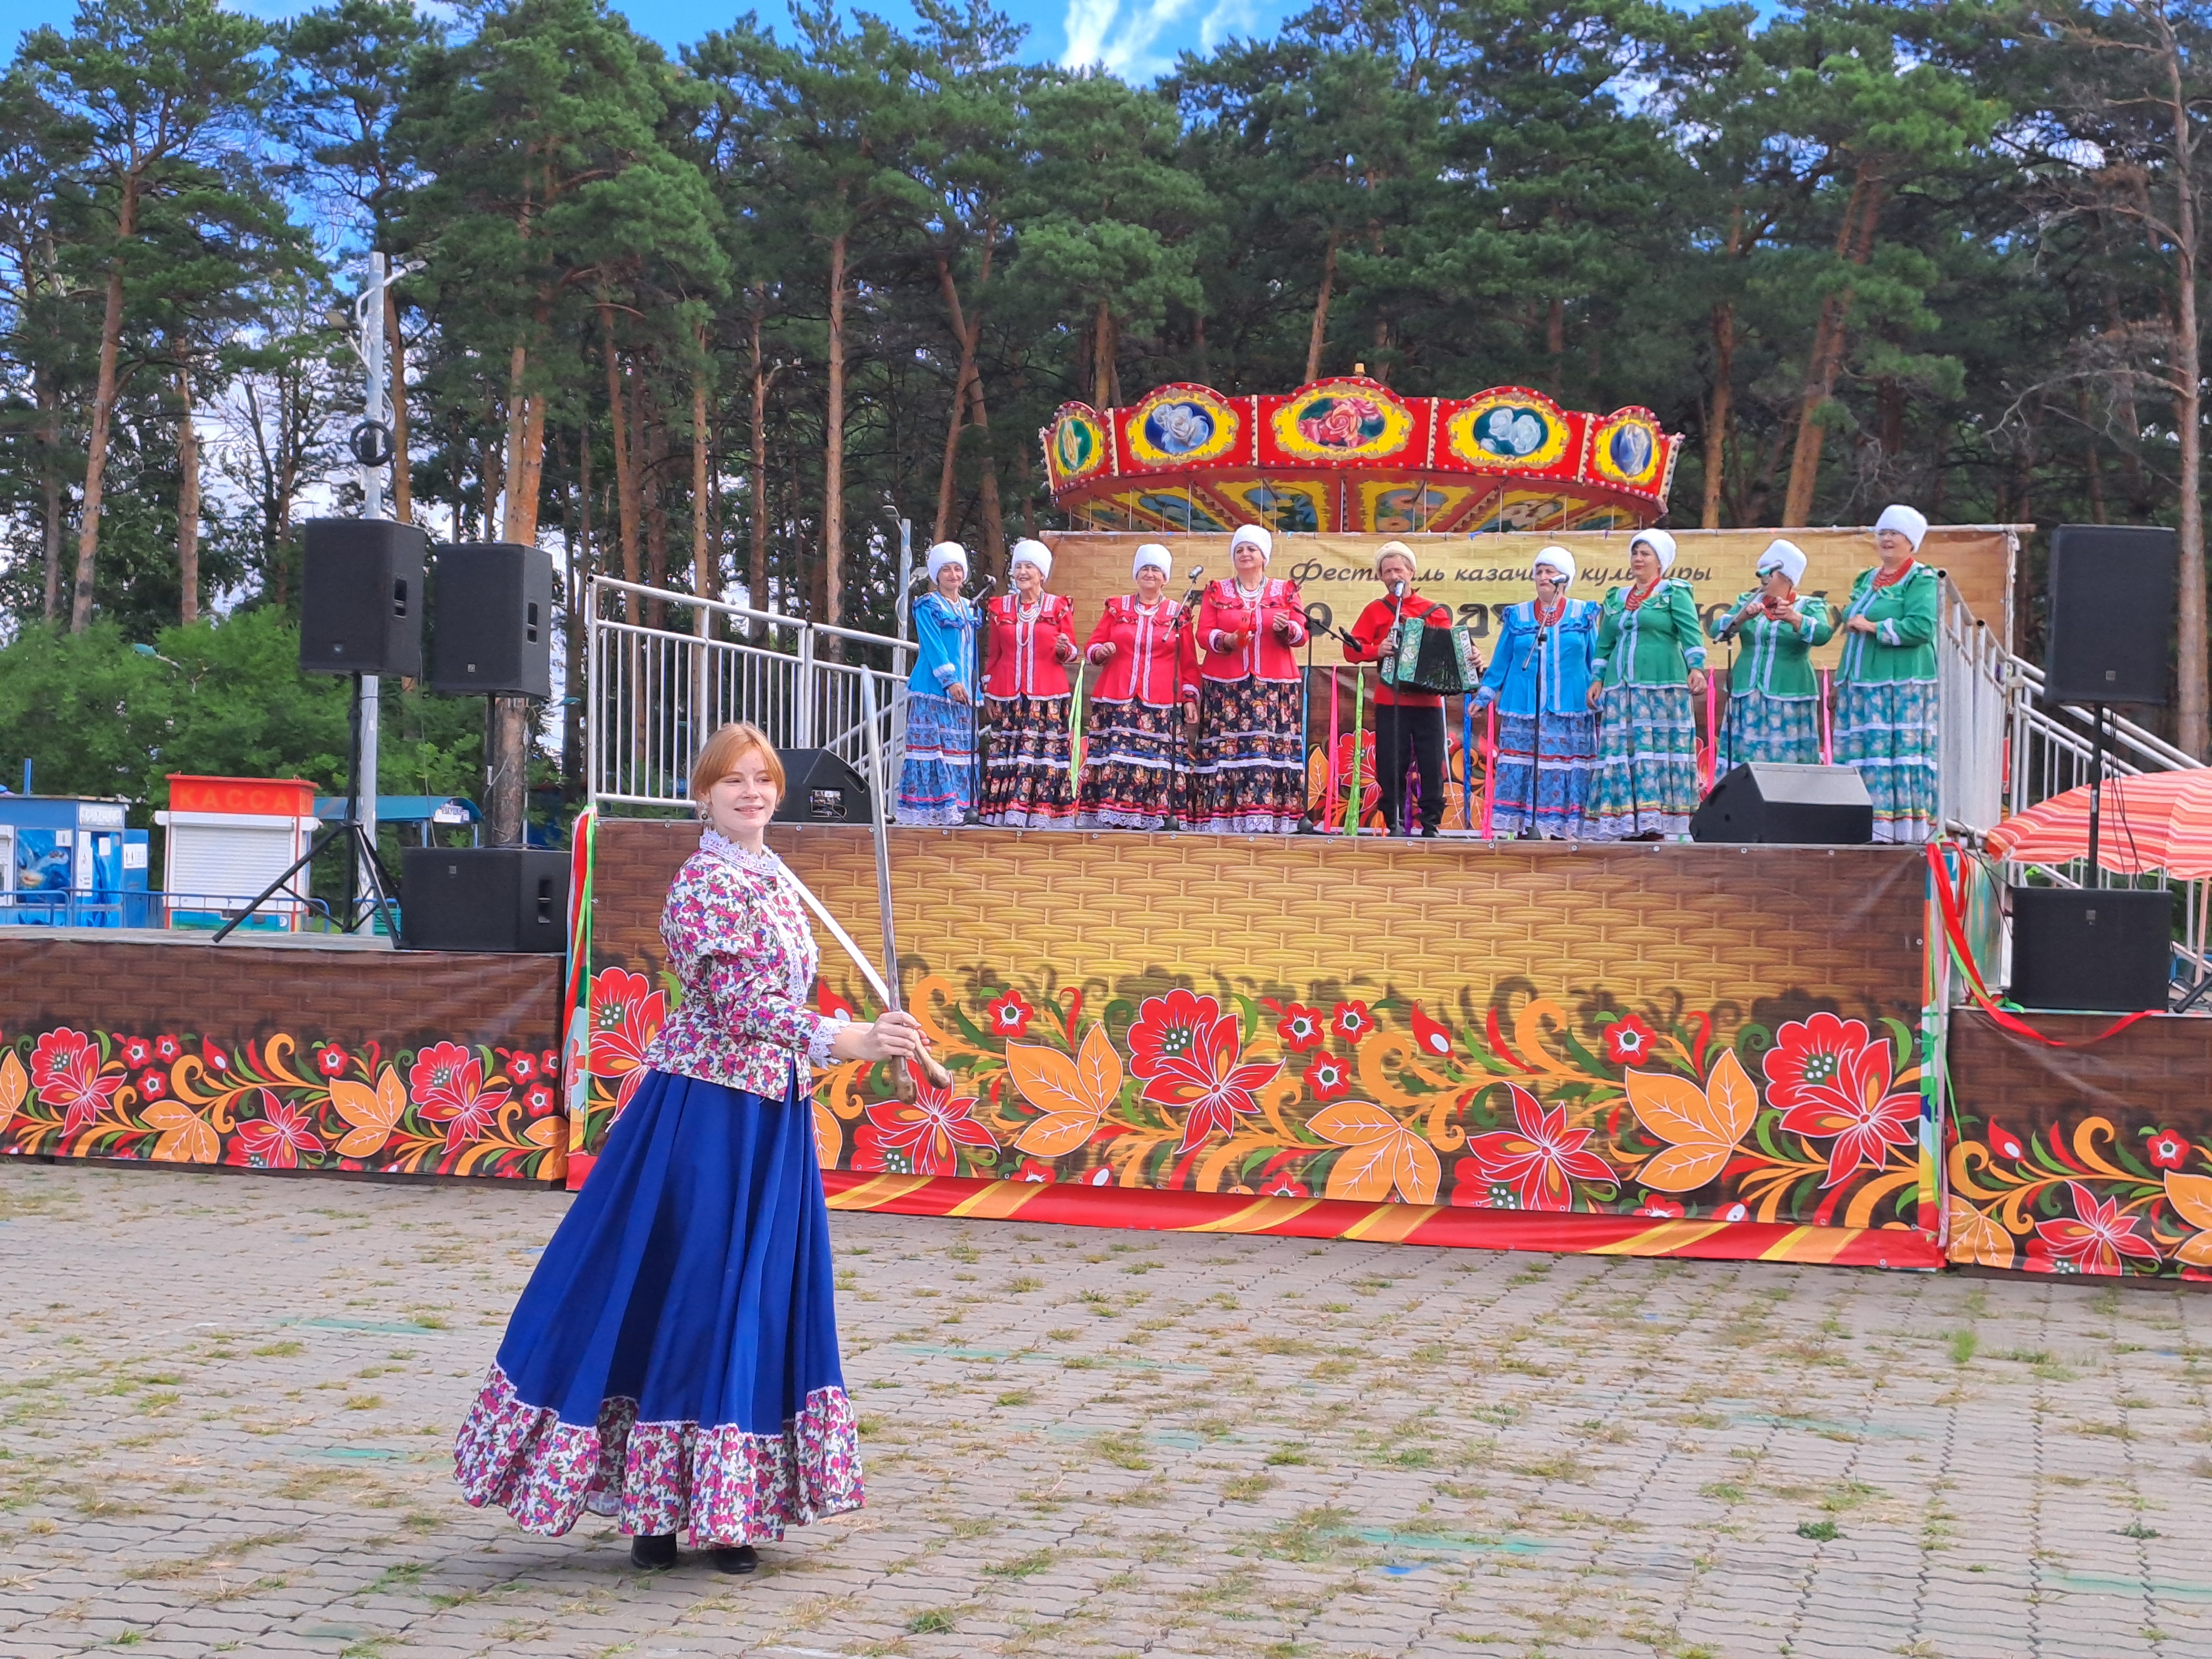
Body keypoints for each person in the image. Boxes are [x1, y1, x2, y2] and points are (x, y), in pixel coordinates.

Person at [454, 722, 926, 1573]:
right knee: (692, 1292)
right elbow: (744, 1006)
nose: (752, 793)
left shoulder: (772, 876)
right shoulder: (705, 882)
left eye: (764, 779)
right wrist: (850, 1039)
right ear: (702, 795)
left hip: (770, 1118)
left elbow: (781, 999)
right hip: (707, 1118)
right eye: (733, 780)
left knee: (756, 1297)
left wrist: (869, 1034)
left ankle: (729, 1508)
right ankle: (658, 1512)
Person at [1588, 527, 1708, 840]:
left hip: (1662, 686)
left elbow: (1691, 633)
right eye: (1635, 553)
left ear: (1660, 561)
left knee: (1656, 749)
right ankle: (1626, 822)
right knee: (1625, 750)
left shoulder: (1673, 592)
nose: (1638, 559)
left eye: (1645, 554)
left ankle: (1657, 823)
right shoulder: (1616, 597)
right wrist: (1598, 678)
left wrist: (1696, 667)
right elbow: (1605, 642)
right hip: (1621, 688)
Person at [1473, 546, 1599, 838]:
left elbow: (1596, 659)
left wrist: (1600, 692)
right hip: (1525, 708)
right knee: (1525, 767)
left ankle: (1562, 833)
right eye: (1539, 572)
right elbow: (1502, 659)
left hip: (1571, 709)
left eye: (1549, 571)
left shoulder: (1583, 614)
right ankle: (1525, 831)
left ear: (1564, 577)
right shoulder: (1518, 616)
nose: (1543, 576)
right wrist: (1485, 695)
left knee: (1567, 770)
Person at [1834, 503, 1941, 843]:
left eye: (1895, 533)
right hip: (1860, 682)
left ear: (1912, 541)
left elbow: (1922, 627)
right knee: (1863, 753)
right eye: (1882, 532)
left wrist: (1873, 626)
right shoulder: (1867, 579)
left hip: (1900, 685)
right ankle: (1858, 826)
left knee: (1894, 754)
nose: (1887, 539)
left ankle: (1897, 831)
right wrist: (1840, 681)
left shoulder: (1921, 578)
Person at [1192, 523, 1308, 834]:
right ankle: (1222, 817)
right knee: (1227, 750)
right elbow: (1203, 634)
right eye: (1240, 549)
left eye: (1252, 549)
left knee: (1269, 749)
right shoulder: (1216, 591)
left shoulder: (1286, 591)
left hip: (1273, 686)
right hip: (1227, 686)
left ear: (1264, 557)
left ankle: (1272, 817)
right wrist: (1226, 640)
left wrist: (1287, 629)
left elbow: (1302, 634)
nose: (1245, 554)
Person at [1076, 543, 1199, 831]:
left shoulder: (1177, 614)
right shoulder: (1117, 609)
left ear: (1165, 577)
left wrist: (1189, 697)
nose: (1150, 574)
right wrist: (1101, 651)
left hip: (1161, 702)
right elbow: (1093, 645)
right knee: (1115, 758)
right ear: (1136, 574)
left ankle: (1154, 818)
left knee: (1156, 761)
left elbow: (1189, 662)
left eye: (1156, 569)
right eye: (1144, 568)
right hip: (1117, 697)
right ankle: (1112, 818)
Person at [1343, 540, 1450, 837]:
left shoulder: (1434, 611)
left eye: (1399, 570)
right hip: (1391, 700)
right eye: (1387, 572)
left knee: (1432, 764)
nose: (1394, 576)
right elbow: (1352, 650)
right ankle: (1395, 822)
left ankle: (1431, 824)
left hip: (1428, 702)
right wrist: (1377, 650)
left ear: (1412, 572)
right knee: (1391, 764)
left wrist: (1471, 656)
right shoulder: (1376, 610)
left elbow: (1450, 651)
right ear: (1380, 577)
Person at [979, 539, 1080, 828]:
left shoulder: (1058, 607)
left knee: (1043, 756)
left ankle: (1041, 814)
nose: (1022, 572)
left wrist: (1063, 648)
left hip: (1047, 697)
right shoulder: (1000, 608)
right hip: (1008, 695)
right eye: (1019, 566)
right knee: (1008, 755)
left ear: (1042, 574)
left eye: (1029, 567)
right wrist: (988, 692)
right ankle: (1006, 814)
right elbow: (994, 654)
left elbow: (1071, 651)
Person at [1710, 538, 1834, 769]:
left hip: (1789, 692)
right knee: (1745, 757)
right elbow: (1716, 630)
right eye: (1762, 571)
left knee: (1784, 758)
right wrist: (1742, 617)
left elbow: (1823, 635)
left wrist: (1794, 618)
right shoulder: (1747, 601)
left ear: (1787, 577)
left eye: (1770, 572)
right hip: (1747, 692)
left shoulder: (1809, 606)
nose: (1763, 577)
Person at [896, 541, 981, 826]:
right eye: (946, 570)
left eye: (958, 569)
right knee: (934, 751)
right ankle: (932, 810)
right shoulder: (927, 605)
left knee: (959, 752)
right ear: (936, 574)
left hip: (964, 693)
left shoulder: (970, 608)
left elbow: (971, 651)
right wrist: (950, 681)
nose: (953, 575)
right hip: (934, 690)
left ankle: (959, 808)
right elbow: (933, 646)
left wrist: (975, 686)